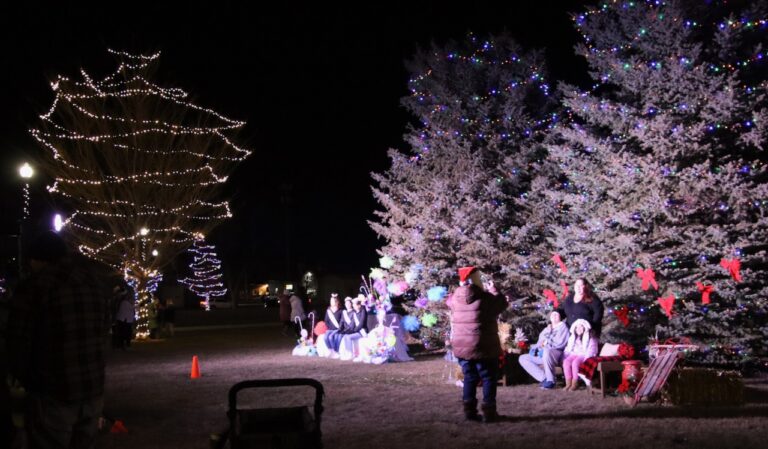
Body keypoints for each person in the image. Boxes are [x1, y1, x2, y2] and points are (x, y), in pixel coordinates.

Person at [6, 231, 111, 449]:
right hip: (92, 389)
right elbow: (103, 331)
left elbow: (18, 340)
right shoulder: (94, 284)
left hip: (53, 391)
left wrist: (22, 377)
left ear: (37, 259)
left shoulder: (35, 286)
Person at [447, 266, 507, 423]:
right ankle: (489, 412)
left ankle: (470, 412)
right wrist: (494, 290)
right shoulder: (485, 298)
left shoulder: (454, 298)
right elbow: (501, 305)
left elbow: (449, 303)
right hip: (483, 346)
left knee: (469, 377)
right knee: (488, 377)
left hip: (462, 346)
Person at [518, 310, 569, 389]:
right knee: (523, 358)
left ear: (560, 317)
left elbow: (559, 344)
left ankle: (551, 380)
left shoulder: (563, 327)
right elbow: (540, 342)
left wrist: (546, 345)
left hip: (556, 353)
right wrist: (535, 348)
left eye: (556, 315)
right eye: (552, 315)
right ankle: (544, 378)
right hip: (542, 353)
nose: (554, 316)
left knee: (547, 351)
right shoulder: (546, 329)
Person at [562, 318, 599, 391]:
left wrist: (587, 358)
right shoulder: (573, 337)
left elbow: (592, 349)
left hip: (584, 354)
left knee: (575, 363)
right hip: (574, 353)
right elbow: (568, 348)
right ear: (574, 329)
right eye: (577, 327)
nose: (579, 329)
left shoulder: (590, 337)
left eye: (581, 327)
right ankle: (568, 383)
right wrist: (565, 355)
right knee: (566, 362)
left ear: (585, 327)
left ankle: (575, 383)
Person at [338, 295, 368, 361]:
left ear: (359, 305)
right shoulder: (355, 312)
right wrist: (349, 331)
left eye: (354, 304)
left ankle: (350, 354)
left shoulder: (363, 311)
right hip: (357, 331)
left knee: (348, 337)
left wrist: (354, 330)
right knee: (346, 336)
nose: (353, 306)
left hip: (362, 331)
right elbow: (352, 324)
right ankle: (348, 352)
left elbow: (361, 324)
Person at [316, 293, 344, 358]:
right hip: (330, 329)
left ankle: (335, 351)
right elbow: (326, 320)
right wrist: (329, 328)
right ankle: (330, 350)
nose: (331, 302)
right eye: (331, 301)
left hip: (337, 329)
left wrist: (338, 328)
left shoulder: (340, 311)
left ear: (337, 302)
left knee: (331, 337)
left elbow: (342, 321)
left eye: (333, 301)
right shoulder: (328, 310)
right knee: (325, 337)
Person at [113, 285, 135, 350]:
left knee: (124, 331)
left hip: (125, 318)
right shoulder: (120, 301)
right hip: (123, 318)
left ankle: (124, 344)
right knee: (122, 331)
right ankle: (121, 344)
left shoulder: (124, 302)